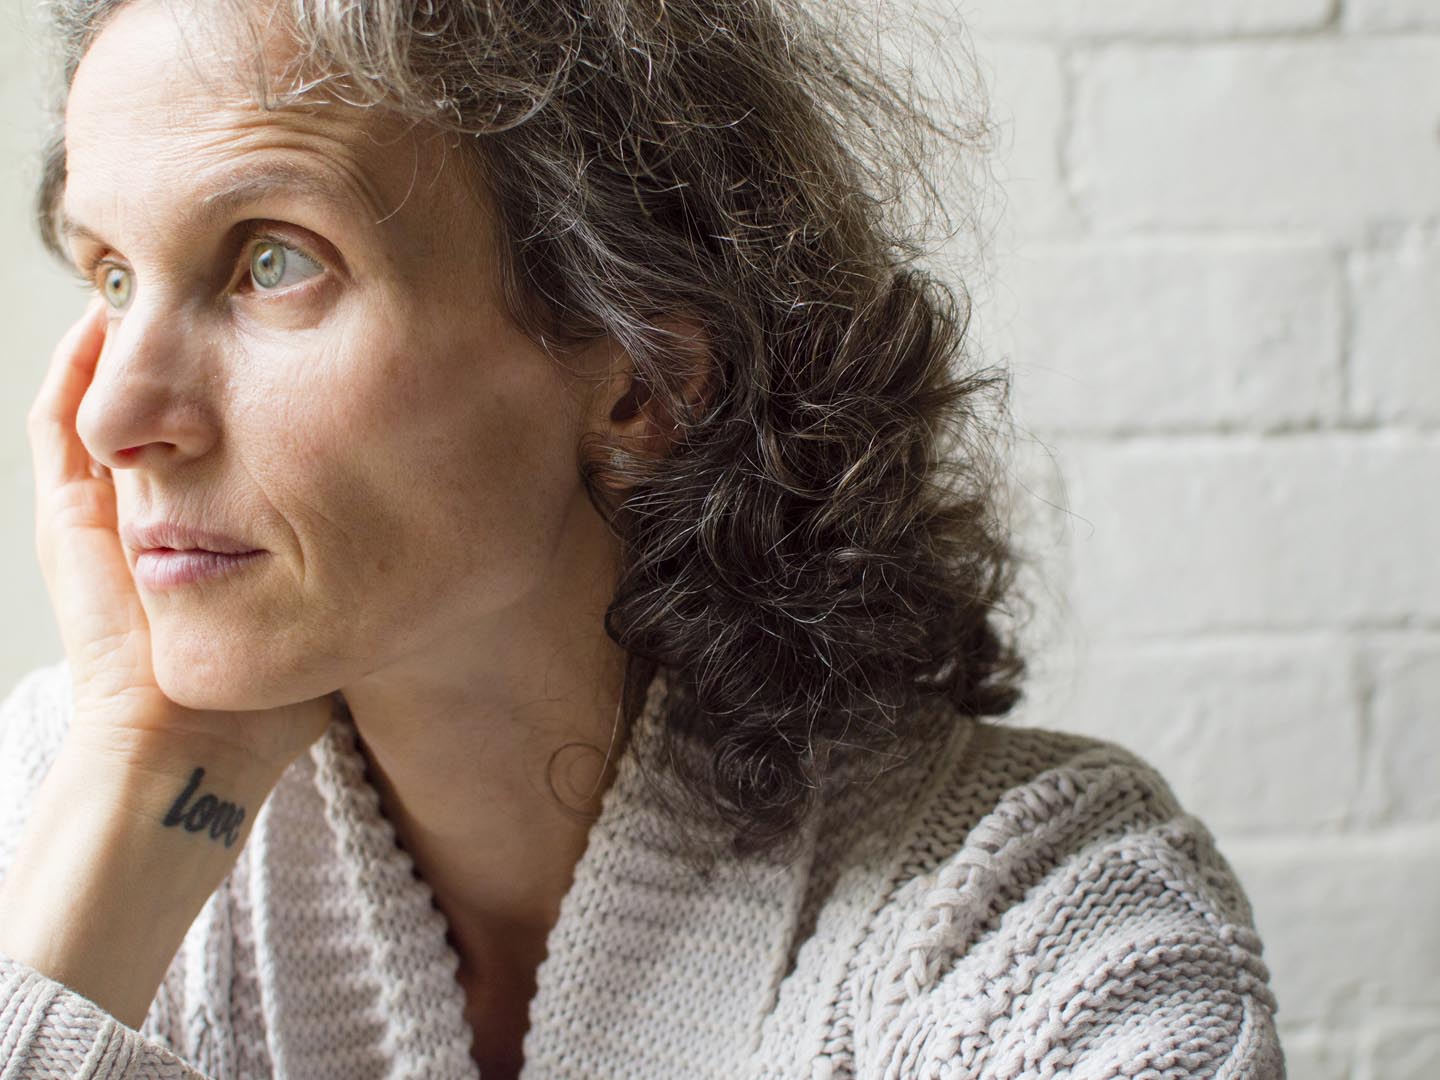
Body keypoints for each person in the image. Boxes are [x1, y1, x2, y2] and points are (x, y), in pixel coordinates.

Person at [0, 0, 1285, 1076]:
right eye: (110, 275)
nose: (116, 411)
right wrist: (139, 790)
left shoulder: (1040, 916)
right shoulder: (45, 809)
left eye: (272, 261)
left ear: (643, 383)